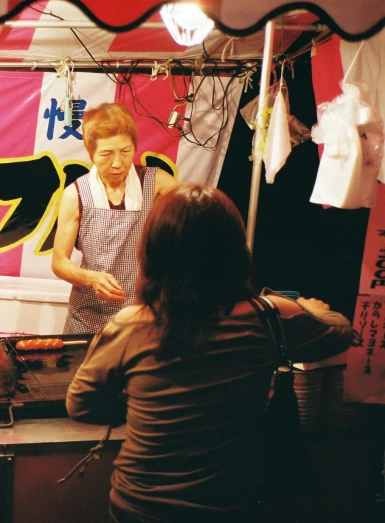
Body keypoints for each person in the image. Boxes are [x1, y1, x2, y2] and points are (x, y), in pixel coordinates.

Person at [66, 185, 353, 523]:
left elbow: (81, 405)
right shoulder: (269, 317)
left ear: (154, 253)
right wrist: (305, 306)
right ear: (235, 251)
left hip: (141, 508)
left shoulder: (130, 325)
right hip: (231, 508)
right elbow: (340, 332)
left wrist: (140, 403)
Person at [52, 102, 178, 334]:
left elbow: (194, 214)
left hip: (140, 319)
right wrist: (91, 279)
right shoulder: (76, 194)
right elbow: (59, 262)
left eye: (126, 151)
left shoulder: (157, 182)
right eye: (107, 154)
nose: (117, 163)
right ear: (91, 153)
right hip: (86, 320)